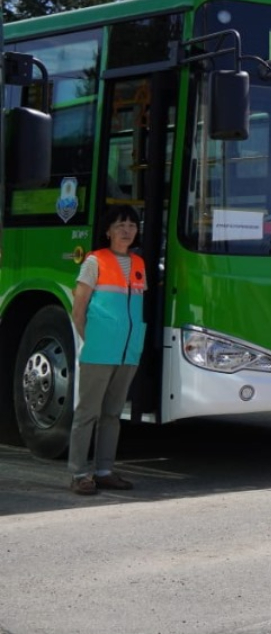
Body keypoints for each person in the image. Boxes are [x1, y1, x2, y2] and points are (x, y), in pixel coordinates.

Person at [68, 205, 147, 495]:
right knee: (87, 412)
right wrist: (91, 340)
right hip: (100, 350)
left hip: (128, 351)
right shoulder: (95, 261)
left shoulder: (139, 263)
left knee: (112, 414)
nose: (127, 230)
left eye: (132, 225)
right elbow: (79, 308)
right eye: (120, 225)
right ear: (108, 231)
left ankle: (104, 471)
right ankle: (79, 474)